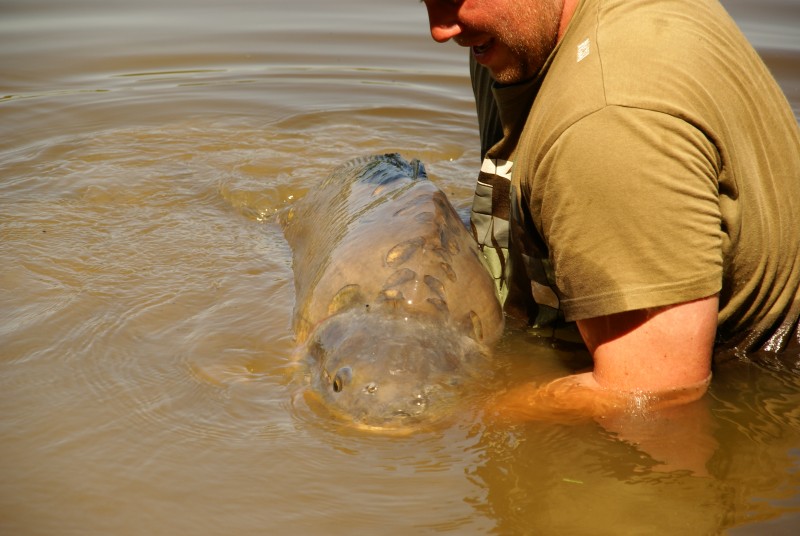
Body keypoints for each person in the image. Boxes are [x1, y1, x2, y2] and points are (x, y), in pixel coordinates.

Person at [420, 0, 800, 416]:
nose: (439, 29)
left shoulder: (606, 124)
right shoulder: (512, 40)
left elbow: (654, 393)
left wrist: (449, 413)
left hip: (760, 390)